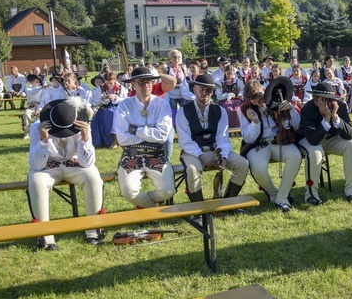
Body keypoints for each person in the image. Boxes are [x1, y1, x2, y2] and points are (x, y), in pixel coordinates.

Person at [28, 98, 105, 250]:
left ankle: (94, 230)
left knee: (93, 178)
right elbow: (36, 165)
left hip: (75, 164)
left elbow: (87, 163)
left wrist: (85, 138)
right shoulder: (37, 127)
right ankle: (45, 236)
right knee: (36, 180)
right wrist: (43, 141)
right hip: (48, 167)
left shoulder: (81, 125)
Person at [177, 74, 249, 205]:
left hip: (215, 150)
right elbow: (184, 141)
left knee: (242, 164)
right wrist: (200, 155)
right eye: (201, 89)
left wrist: (223, 156)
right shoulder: (183, 111)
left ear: (212, 92)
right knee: (192, 170)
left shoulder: (220, 110)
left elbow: (223, 137)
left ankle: (228, 203)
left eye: (208, 90)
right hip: (192, 152)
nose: (204, 93)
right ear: (194, 89)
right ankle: (199, 209)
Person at [113, 67, 176, 208]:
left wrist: (134, 130)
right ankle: (153, 208)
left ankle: (147, 202)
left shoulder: (162, 104)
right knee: (128, 192)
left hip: (156, 155)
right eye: (141, 83)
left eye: (148, 82)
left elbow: (162, 136)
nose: (145, 86)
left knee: (168, 191)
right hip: (131, 156)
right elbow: (122, 138)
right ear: (133, 84)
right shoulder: (124, 105)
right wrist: (149, 134)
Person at [241, 77, 302, 212]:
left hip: (281, 140)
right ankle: (274, 194)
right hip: (259, 144)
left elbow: (297, 126)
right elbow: (247, 138)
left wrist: (290, 110)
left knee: (295, 156)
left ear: (264, 91)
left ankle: (282, 197)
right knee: (258, 168)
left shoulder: (278, 100)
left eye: (259, 99)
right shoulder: (246, 108)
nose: (257, 103)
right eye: (253, 101)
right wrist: (255, 122)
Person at [299, 81, 352, 204]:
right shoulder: (308, 109)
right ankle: (311, 194)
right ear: (316, 101)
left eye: (330, 100)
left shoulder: (340, 107)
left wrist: (335, 117)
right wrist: (327, 119)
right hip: (309, 139)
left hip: (330, 139)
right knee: (316, 153)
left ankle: (351, 189)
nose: (328, 104)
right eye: (323, 101)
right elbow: (313, 139)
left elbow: (350, 134)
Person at [91, 71, 127, 149]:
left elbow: (125, 100)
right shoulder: (101, 87)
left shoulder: (120, 87)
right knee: (96, 119)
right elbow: (95, 102)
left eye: (110, 83)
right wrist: (102, 99)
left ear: (114, 80)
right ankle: (101, 140)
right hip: (105, 106)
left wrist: (116, 98)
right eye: (107, 83)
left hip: (118, 106)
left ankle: (115, 139)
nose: (109, 85)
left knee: (110, 114)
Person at [215, 64, 244, 128]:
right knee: (227, 109)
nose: (230, 75)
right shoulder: (220, 82)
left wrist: (239, 94)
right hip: (225, 100)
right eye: (228, 74)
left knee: (238, 109)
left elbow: (242, 90)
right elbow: (219, 96)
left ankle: (238, 128)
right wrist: (228, 95)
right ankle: (227, 127)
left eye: (231, 74)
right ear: (225, 72)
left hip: (236, 100)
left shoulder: (237, 81)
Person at [22, 74, 45, 139]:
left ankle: (40, 132)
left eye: (39, 82)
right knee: (26, 114)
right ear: (31, 82)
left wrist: (39, 108)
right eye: (36, 82)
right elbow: (32, 93)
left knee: (41, 116)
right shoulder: (28, 89)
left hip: (40, 106)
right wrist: (41, 87)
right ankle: (27, 133)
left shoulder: (42, 89)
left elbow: (43, 99)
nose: (38, 83)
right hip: (31, 106)